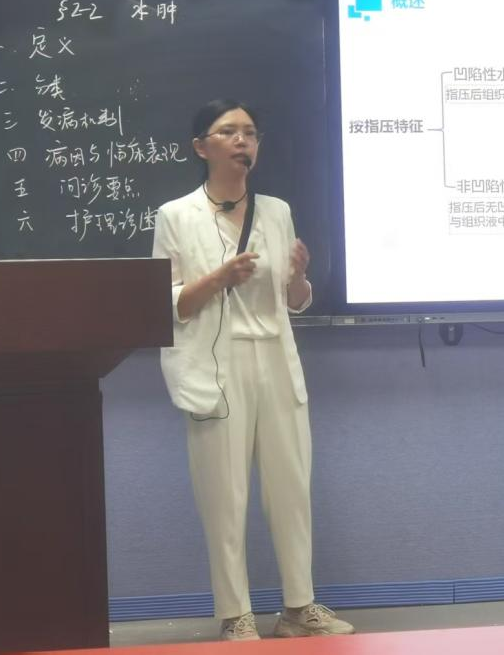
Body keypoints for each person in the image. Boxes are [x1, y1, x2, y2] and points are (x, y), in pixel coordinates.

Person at [151, 99, 353, 641]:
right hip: (217, 365)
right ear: (202, 147)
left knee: (291, 486)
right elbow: (166, 302)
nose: (243, 141)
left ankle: (298, 607)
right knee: (224, 494)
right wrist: (218, 278)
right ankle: (235, 613)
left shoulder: (277, 211)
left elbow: (296, 301)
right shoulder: (175, 215)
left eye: (250, 133)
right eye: (229, 132)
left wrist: (300, 278)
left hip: (276, 358)